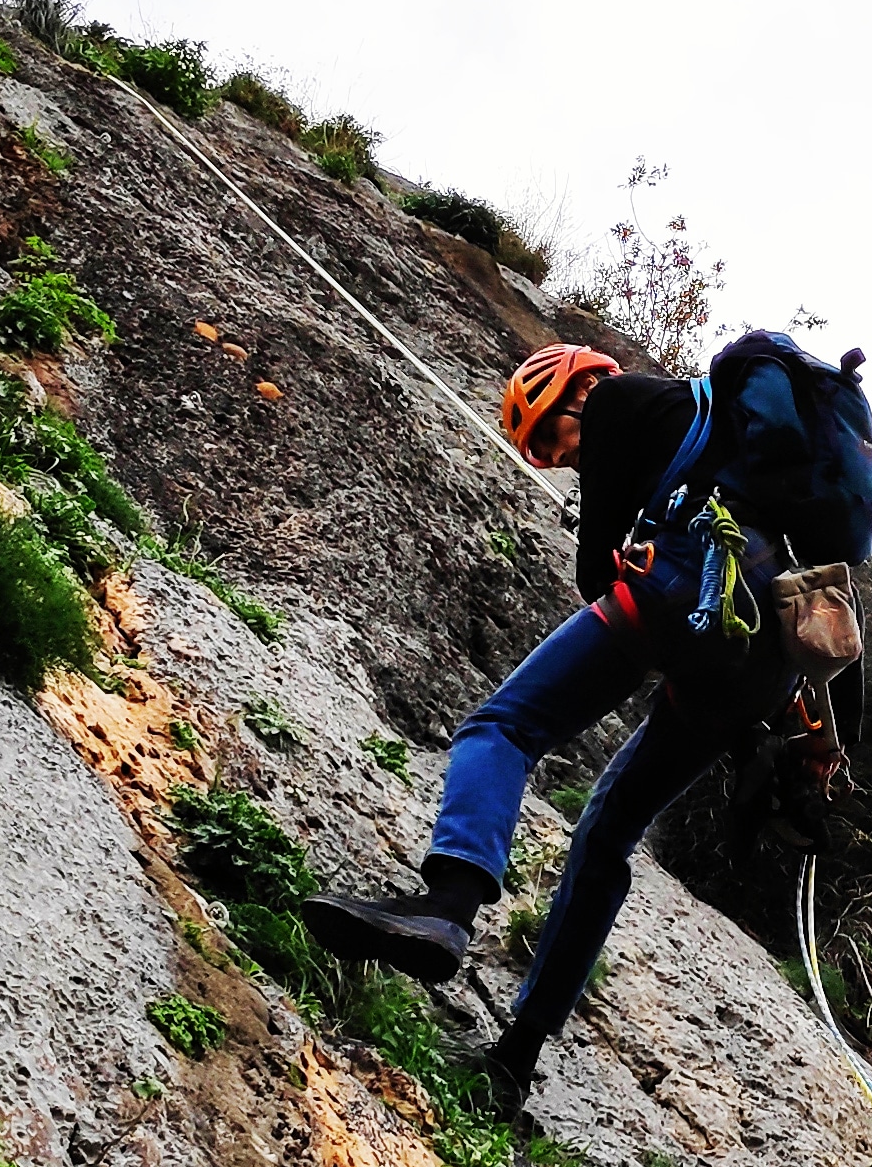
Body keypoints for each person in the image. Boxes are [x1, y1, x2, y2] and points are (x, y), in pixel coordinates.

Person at [298, 338, 836, 1118]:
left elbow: (596, 569)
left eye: (552, 437)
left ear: (578, 389)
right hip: (758, 661)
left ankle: (446, 905)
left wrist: (620, 549)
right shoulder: (748, 453)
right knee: (607, 835)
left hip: (678, 590)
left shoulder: (624, 401)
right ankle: (515, 1060)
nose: (560, 458)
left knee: (503, 728)